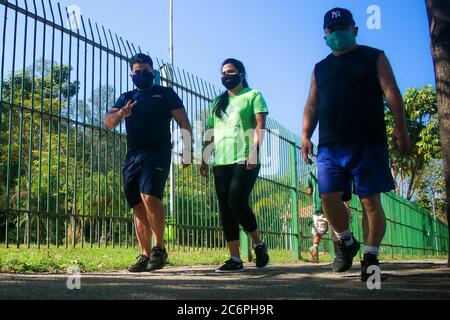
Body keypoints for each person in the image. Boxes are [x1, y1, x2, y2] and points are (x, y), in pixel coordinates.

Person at [301, 8, 411, 281]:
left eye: (342, 27)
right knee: (328, 198)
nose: (337, 33)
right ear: (325, 34)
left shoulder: (374, 57)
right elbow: (312, 104)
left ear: (355, 30)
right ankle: (347, 242)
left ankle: (371, 261)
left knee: (370, 202)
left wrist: (401, 127)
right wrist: (305, 135)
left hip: (368, 142)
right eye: (331, 30)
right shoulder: (320, 68)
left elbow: (391, 92)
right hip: (329, 146)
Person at [104, 53, 192, 273]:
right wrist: (121, 113)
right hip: (133, 155)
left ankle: (159, 248)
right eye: (137, 71)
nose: (141, 74)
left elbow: (183, 122)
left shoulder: (165, 94)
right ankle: (144, 254)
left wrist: (188, 150)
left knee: (149, 196)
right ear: (131, 74)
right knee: (136, 203)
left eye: (145, 71)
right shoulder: (126, 97)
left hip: (158, 151)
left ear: (152, 72)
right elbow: (108, 123)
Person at [200, 58, 270, 273]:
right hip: (221, 160)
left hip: (245, 157)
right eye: (222, 72)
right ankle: (235, 258)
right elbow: (210, 133)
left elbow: (260, 125)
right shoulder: (217, 102)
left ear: (240, 73)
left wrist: (255, 151)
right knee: (225, 208)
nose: (226, 75)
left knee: (236, 201)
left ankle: (258, 243)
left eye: (230, 71)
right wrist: (204, 159)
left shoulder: (253, 95)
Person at [308, 171, 353, 263]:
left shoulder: (312, 173)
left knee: (318, 230)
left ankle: (315, 246)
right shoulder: (333, 168)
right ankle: (337, 255)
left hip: (318, 207)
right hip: (333, 206)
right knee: (335, 231)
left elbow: (309, 191)